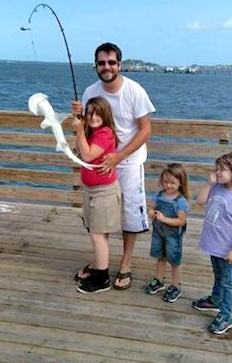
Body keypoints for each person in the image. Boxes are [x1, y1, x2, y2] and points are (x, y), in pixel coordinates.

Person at [72, 42, 156, 290]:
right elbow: (87, 127)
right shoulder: (90, 92)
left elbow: (146, 130)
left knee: (130, 215)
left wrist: (119, 157)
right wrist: (77, 117)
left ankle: (126, 264)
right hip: (98, 167)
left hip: (128, 163)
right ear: (95, 65)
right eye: (101, 63)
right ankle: (101, 263)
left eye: (111, 62)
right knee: (100, 214)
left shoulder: (134, 90)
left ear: (119, 64)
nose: (106, 67)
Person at [192, 151, 232, 335]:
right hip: (213, 245)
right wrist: (209, 183)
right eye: (217, 168)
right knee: (218, 274)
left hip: (227, 249)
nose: (218, 172)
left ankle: (226, 315)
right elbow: (200, 201)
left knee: (228, 282)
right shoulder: (217, 188)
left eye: (223, 169)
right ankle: (216, 300)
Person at [73, 97, 121, 293]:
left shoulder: (106, 134)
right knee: (96, 232)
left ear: (106, 115)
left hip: (104, 192)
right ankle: (97, 265)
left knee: (97, 235)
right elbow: (78, 150)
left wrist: (78, 131)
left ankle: (102, 278)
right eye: (90, 112)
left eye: (98, 113)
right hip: (91, 190)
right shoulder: (90, 132)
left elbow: (88, 155)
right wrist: (80, 128)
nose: (93, 117)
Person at [144, 163, 190, 303]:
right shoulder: (159, 195)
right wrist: (151, 212)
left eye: (172, 183)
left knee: (174, 260)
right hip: (158, 233)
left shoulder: (180, 201)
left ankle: (176, 286)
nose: (168, 185)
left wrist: (164, 219)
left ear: (180, 183)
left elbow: (181, 221)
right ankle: (159, 280)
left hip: (173, 236)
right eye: (166, 182)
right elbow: (152, 207)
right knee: (160, 256)